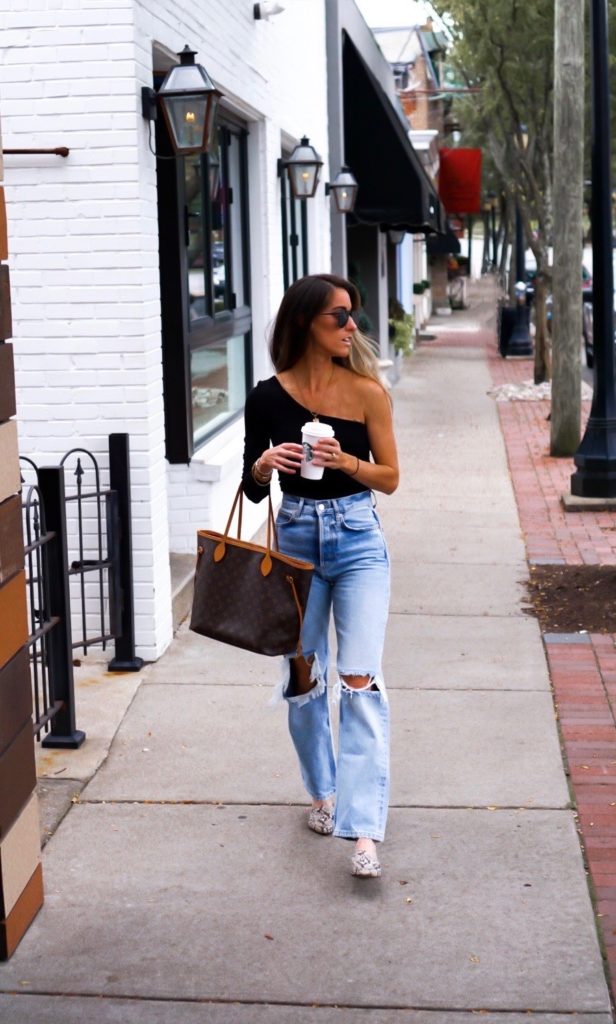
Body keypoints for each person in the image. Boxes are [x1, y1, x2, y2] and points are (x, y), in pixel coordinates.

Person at [242, 273, 399, 878]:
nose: (352, 327)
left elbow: (390, 476)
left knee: (358, 680)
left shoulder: (366, 393)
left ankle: (364, 831)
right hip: (297, 541)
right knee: (304, 677)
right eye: (340, 316)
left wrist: (348, 462)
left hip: (358, 540)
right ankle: (323, 794)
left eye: (353, 316)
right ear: (307, 321)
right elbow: (253, 495)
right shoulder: (267, 397)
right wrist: (261, 466)